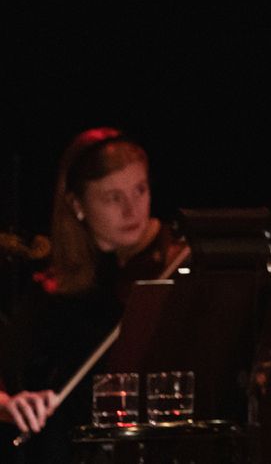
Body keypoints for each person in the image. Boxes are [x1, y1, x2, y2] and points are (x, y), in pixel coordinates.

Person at [0, 128, 186, 462]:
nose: (133, 210)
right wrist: (9, 405)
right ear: (77, 204)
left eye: (140, 190)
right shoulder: (51, 294)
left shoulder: (176, 265)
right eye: (113, 197)